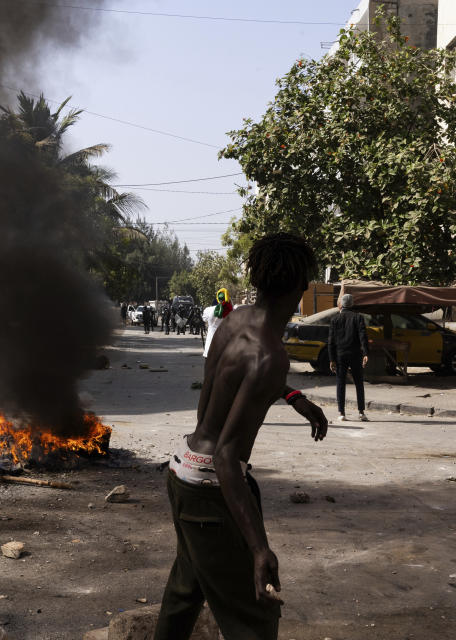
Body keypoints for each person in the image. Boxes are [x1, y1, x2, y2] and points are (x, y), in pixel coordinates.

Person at [154, 233, 328, 640]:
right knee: (254, 618)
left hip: (183, 471)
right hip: (212, 489)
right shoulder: (270, 355)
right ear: (302, 285)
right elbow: (227, 458)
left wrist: (292, 395)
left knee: (185, 593)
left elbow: (234, 377)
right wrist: (258, 548)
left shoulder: (234, 321)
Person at [328, 293, 369, 422]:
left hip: (340, 355)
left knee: (340, 383)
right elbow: (363, 336)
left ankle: (341, 412)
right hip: (355, 354)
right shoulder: (358, 318)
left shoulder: (335, 319)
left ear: (341, 305)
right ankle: (361, 412)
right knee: (359, 383)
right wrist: (366, 353)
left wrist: (332, 359)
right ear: (352, 304)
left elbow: (330, 341)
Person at [202, 287, 233, 358]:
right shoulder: (230, 310)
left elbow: (204, 319)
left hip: (210, 347)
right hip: (225, 347)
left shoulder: (208, 310)